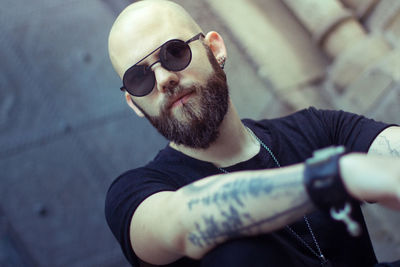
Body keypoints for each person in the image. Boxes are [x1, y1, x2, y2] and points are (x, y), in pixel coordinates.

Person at [105, 0, 400, 266]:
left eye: (174, 52)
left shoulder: (318, 129)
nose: (164, 78)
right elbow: (184, 223)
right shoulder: (134, 193)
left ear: (215, 49)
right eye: (139, 78)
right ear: (135, 104)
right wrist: (335, 178)